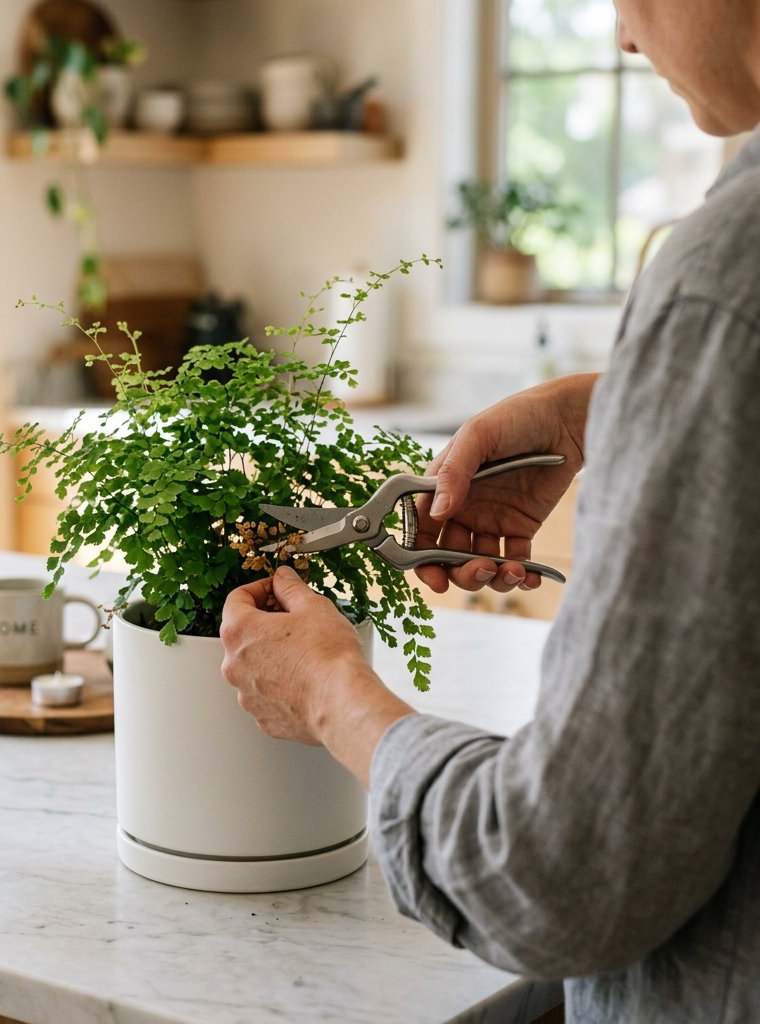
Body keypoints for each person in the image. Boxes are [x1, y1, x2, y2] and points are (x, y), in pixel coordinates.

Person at [219, 2, 760, 1020]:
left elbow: (560, 873)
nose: (621, 38)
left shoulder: (725, 277)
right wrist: (618, 406)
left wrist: (334, 697)